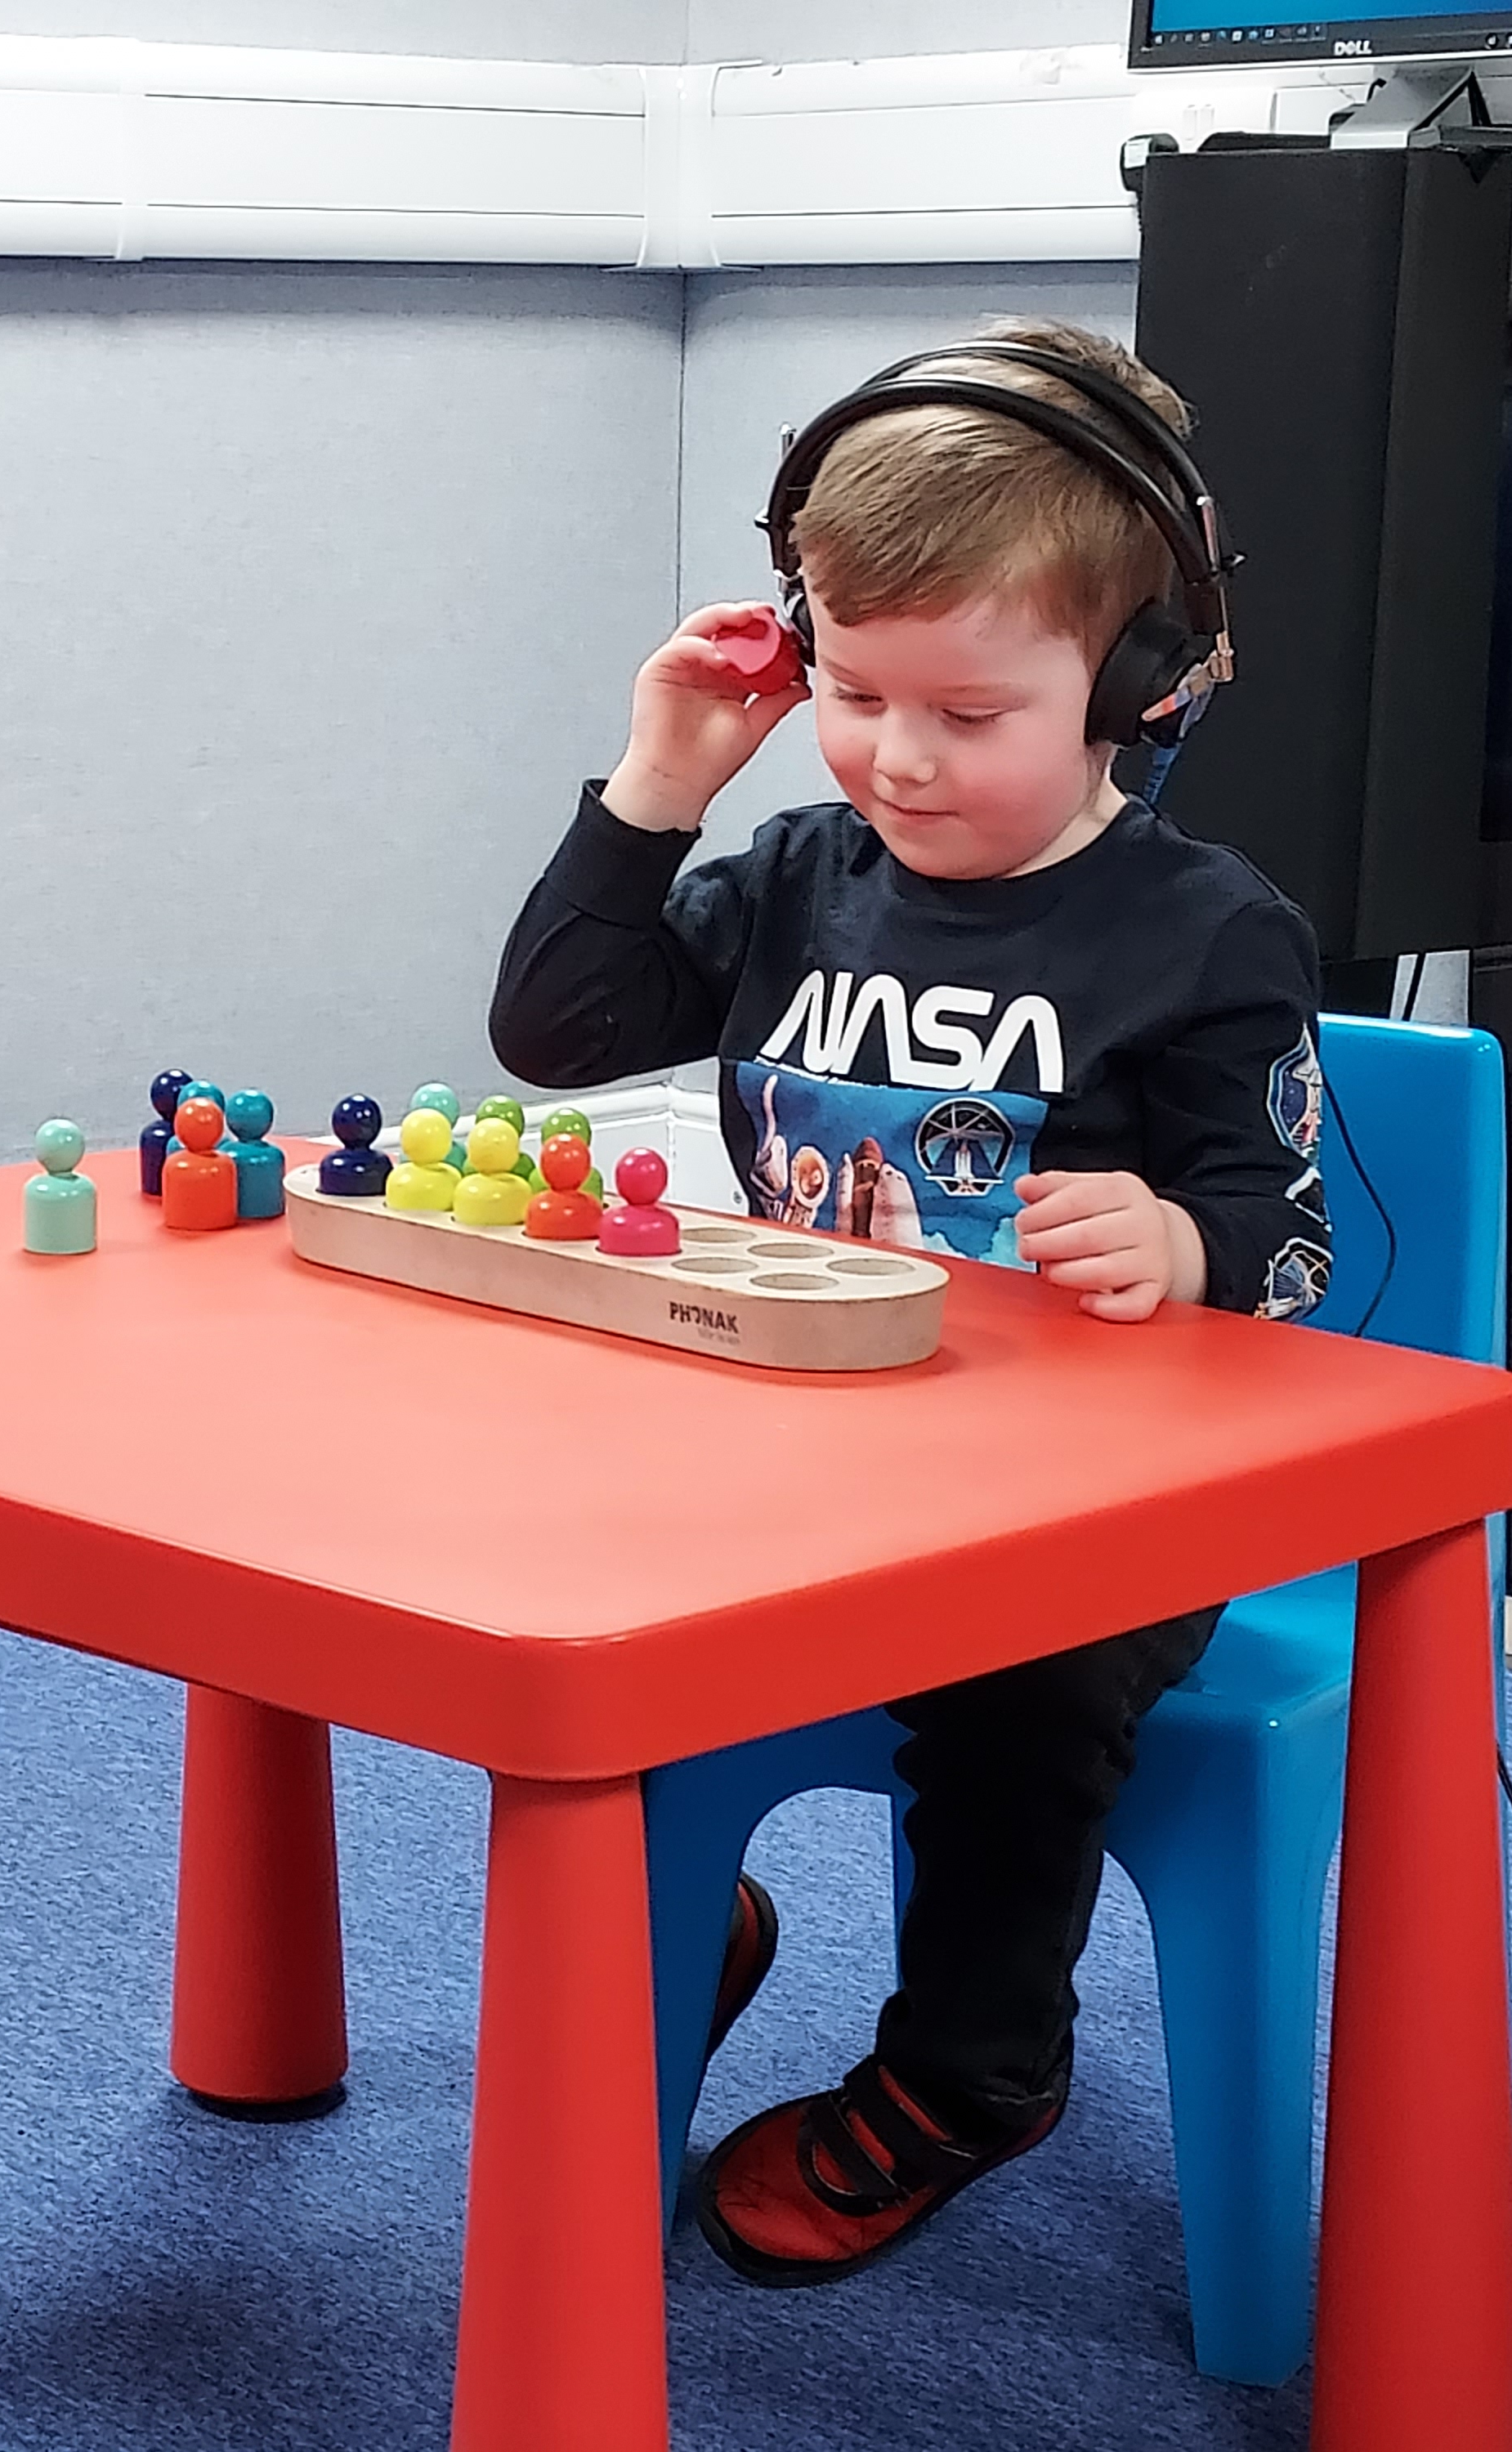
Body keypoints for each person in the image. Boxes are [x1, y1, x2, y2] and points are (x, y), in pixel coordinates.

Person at [488, 317, 1332, 2285]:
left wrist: (1185, 1248)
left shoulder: (1206, 930)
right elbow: (557, 1026)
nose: (895, 756)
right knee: (555, 1582)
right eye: (853, 695)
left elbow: (1287, 1246)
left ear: (1137, 685)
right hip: (814, 1455)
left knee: (1016, 1688)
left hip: (1096, 1514)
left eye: (967, 712)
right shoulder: (797, 871)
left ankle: (973, 2070)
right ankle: (690, 1925)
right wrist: (657, 780)